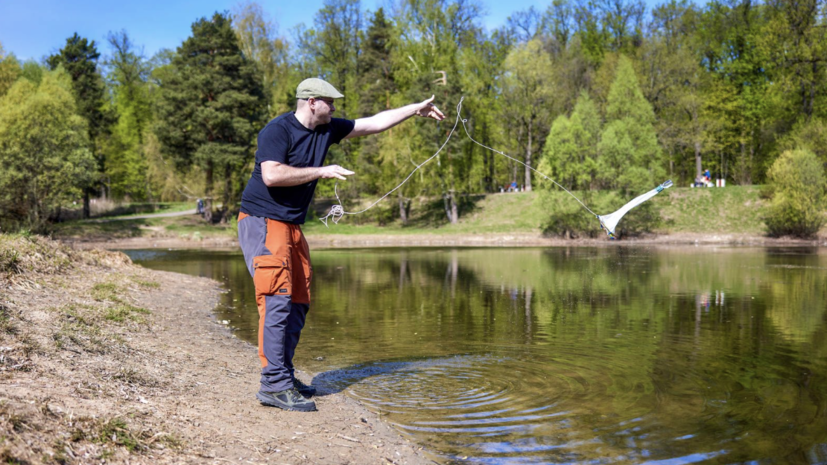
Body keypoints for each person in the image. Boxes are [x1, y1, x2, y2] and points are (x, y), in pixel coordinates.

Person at [237, 78, 445, 412]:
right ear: (312, 101)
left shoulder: (327, 129)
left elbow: (374, 123)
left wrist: (415, 109)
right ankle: (273, 385)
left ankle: (284, 377)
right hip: (261, 221)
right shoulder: (277, 130)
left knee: (299, 300)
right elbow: (272, 175)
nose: (335, 109)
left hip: (290, 225)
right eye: (330, 103)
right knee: (277, 299)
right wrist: (322, 171)